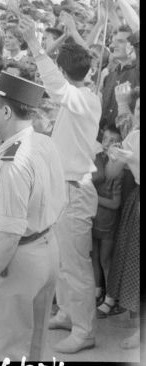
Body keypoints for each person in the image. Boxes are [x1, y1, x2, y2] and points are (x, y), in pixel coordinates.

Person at [0, 72, 66, 361]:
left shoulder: (12, 164)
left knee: (4, 351)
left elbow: (8, 236)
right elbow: (61, 198)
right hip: (46, 248)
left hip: (15, 261)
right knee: (33, 345)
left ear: (6, 111)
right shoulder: (45, 143)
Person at [20, 15, 101, 354]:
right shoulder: (86, 92)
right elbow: (78, 69)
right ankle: (69, 313)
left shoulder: (82, 98)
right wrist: (73, 36)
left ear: (66, 72)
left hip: (75, 189)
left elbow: (57, 85)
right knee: (64, 262)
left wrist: (38, 47)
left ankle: (85, 331)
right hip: (65, 188)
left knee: (76, 266)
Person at [98, 91, 140, 349]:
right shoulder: (134, 136)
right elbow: (113, 173)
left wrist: (133, 158)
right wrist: (115, 157)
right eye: (138, 110)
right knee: (133, 262)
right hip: (137, 198)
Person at [91, 125, 124, 306]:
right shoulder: (98, 161)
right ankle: (98, 290)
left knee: (105, 260)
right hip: (94, 219)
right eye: (105, 139)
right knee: (94, 256)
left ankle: (110, 298)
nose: (107, 144)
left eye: (112, 141)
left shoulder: (117, 169)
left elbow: (115, 203)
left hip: (108, 222)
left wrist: (94, 198)